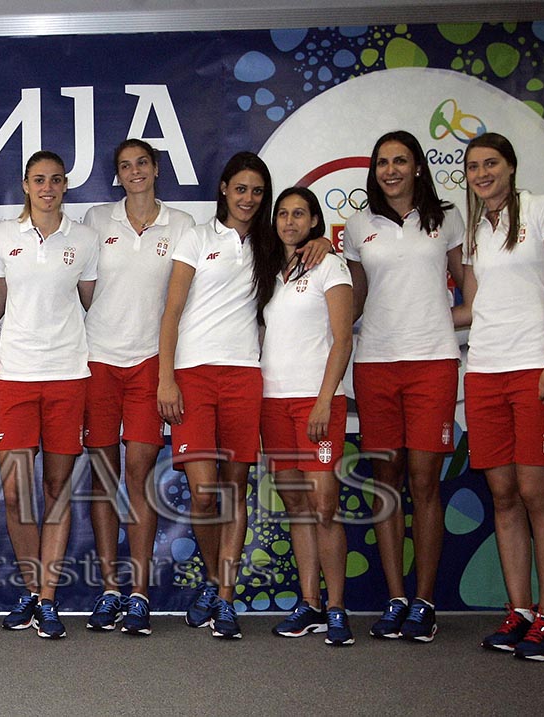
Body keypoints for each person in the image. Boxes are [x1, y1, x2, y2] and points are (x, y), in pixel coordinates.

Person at [157, 151, 329, 640]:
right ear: (224, 189)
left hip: (245, 376)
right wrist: (166, 378)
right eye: (240, 189)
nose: (248, 199)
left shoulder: (273, 245)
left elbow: (311, 249)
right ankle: (216, 581)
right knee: (203, 493)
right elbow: (171, 312)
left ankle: (225, 598)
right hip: (192, 374)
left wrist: (320, 242)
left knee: (234, 490)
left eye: (257, 191)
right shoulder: (196, 236)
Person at [454, 133, 544, 661]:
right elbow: (471, 309)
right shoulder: (475, 230)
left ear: (510, 166)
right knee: (503, 494)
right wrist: (398, 321)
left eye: (491, 164)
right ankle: (520, 612)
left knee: (536, 492)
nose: (482, 174)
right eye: (473, 167)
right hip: (484, 372)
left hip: (537, 370)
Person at [343, 130, 465, 642]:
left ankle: (425, 602)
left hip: (433, 364)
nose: (390, 170)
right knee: (386, 485)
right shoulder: (358, 226)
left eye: (400, 161)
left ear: (417, 167)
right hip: (375, 364)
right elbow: (352, 303)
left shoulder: (447, 218)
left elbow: (472, 294)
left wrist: (435, 322)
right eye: (382, 162)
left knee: (424, 482)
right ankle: (396, 599)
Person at [81, 139, 195, 636]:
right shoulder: (95, 220)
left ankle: (140, 593)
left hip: (151, 364)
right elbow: (82, 289)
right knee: (103, 477)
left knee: (139, 474)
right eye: (125, 166)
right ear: (118, 175)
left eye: (142, 164)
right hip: (98, 361)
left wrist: (168, 372)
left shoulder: (182, 225)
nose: (134, 172)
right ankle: (110, 590)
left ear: (156, 168)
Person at [0, 150, 99, 640]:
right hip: (15, 374)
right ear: (25, 185)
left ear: (65, 186)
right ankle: (32, 590)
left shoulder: (85, 239)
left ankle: (48, 598)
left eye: (56, 180)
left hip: (67, 375)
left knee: (57, 488)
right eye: (39, 180)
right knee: (16, 492)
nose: (48, 188)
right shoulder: (2, 236)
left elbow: (91, 301)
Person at [258, 187, 354, 646]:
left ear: (315, 220)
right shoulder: (268, 269)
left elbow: (343, 339)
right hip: (273, 402)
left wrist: (324, 400)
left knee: (324, 506)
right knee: (296, 505)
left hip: (317, 403)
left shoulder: (330, 265)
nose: (290, 222)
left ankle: (337, 607)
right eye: (283, 214)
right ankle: (310, 603)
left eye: (299, 214)